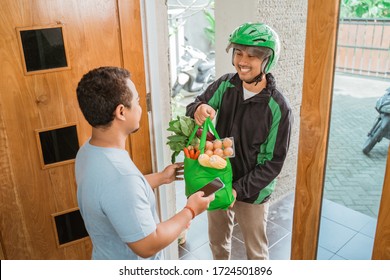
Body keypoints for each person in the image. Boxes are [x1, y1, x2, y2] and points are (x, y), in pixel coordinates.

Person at [75, 66, 214, 260]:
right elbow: (148, 245)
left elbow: (111, 196)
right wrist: (190, 210)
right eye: (138, 101)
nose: (140, 107)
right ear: (121, 112)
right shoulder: (122, 178)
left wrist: (160, 178)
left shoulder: (87, 152)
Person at [186, 22, 292, 260]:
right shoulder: (225, 84)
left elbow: (273, 163)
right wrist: (199, 108)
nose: (242, 61)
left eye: (252, 56)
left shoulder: (278, 108)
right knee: (217, 243)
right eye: (238, 53)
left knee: (256, 252)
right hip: (216, 180)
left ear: (267, 61)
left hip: (252, 191)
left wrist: (238, 189)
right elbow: (193, 106)